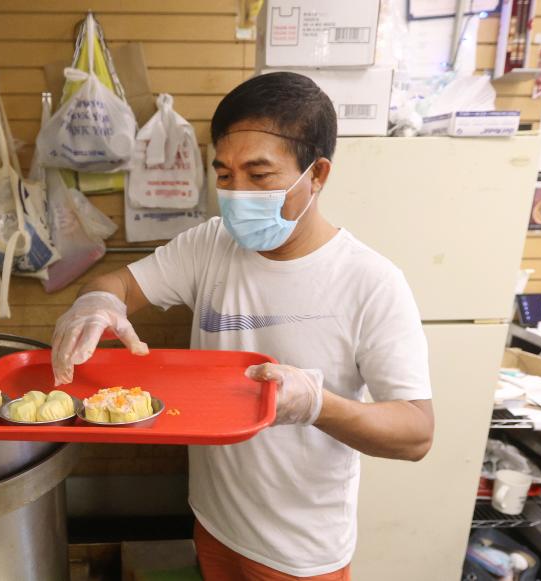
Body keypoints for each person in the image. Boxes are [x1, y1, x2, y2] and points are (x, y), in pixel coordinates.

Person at [50, 72, 434, 580]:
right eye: (225, 175)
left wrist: (318, 404)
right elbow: (119, 282)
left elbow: (416, 433)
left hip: (299, 551)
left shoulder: (371, 282)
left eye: (259, 175)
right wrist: (97, 302)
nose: (236, 194)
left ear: (317, 175)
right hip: (214, 520)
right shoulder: (209, 245)